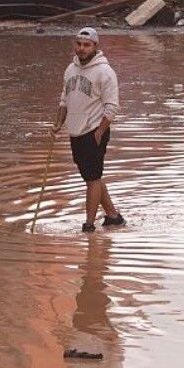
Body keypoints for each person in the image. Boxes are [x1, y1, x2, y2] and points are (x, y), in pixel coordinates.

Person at [52, 27, 124, 233]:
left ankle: (89, 225)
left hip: (94, 131)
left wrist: (99, 133)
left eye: (86, 45)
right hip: (75, 131)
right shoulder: (70, 70)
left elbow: (112, 107)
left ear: (95, 47)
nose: (81, 49)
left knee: (92, 179)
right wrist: (58, 124)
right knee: (91, 176)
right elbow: (64, 101)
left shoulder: (105, 72)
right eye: (79, 44)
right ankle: (113, 216)